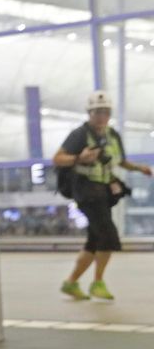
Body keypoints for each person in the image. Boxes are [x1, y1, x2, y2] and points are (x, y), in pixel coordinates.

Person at [53, 90, 151, 300]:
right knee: (108, 236)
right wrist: (80, 157)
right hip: (86, 191)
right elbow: (58, 158)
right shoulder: (80, 134)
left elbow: (121, 161)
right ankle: (98, 282)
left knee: (95, 239)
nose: (102, 116)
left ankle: (71, 282)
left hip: (103, 191)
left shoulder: (112, 135)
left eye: (106, 111)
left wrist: (139, 168)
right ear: (90, 113)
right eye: (97, 112)